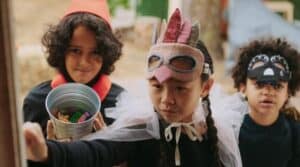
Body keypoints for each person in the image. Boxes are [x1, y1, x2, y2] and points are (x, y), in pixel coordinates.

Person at [23, 8, 241, 167]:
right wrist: (47, 152)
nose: (167, 99)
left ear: (206, 87)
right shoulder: (140, 127)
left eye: (181, 88)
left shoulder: (217, 135)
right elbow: (96, 151)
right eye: (157, 86)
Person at [23, 0, 125, 138]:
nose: (84, 62)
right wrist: (46, 154)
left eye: (95, 52)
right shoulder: (36, 102)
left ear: (106, 53)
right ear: (62, 50)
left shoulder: (121, 105)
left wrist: (108, 148)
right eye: (75, 50)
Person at [230, 38, 300, 167]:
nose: (268, 92)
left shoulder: (295, 131)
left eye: (277, 85)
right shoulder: (230, 132)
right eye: (259, 84)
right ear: (243, 87)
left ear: (288, 91)